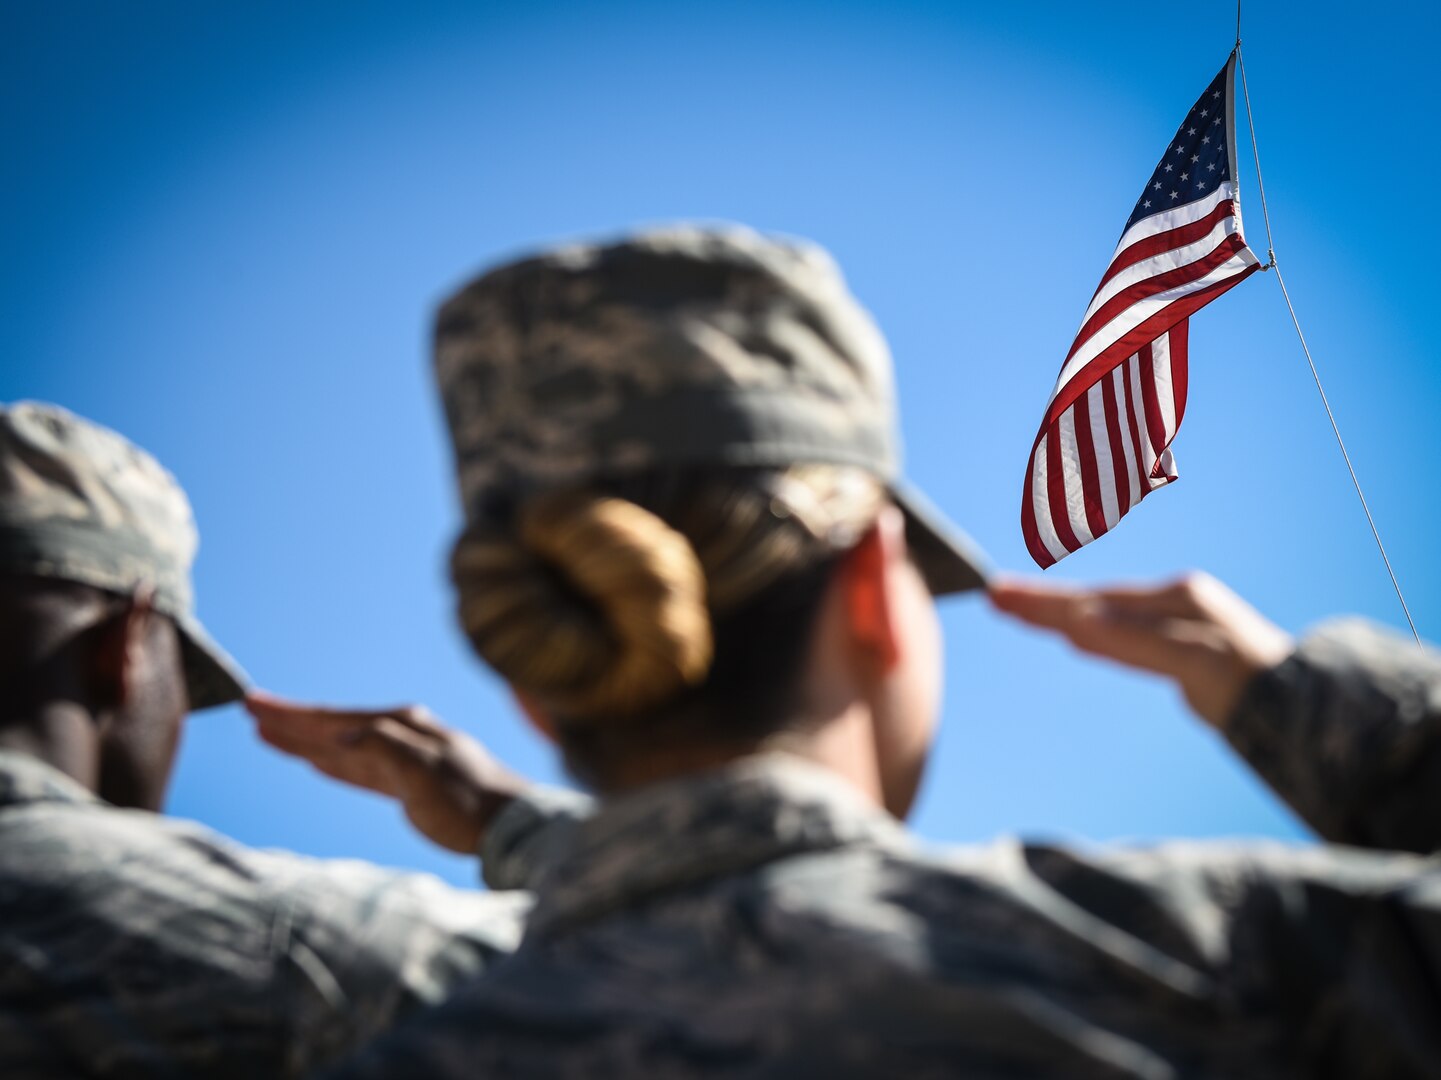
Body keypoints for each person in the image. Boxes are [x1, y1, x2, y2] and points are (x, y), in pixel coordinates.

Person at [277, 225, 1440, 1078]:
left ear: (535, 679)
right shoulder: (1215, 971)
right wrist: (1347, 722)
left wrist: (516, 835)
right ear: (877, 595)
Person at [0, 402, 557, 1078]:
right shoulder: (295, 953)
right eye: (185, 682)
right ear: (124, 645)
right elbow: (683, 955)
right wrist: (515, 821)